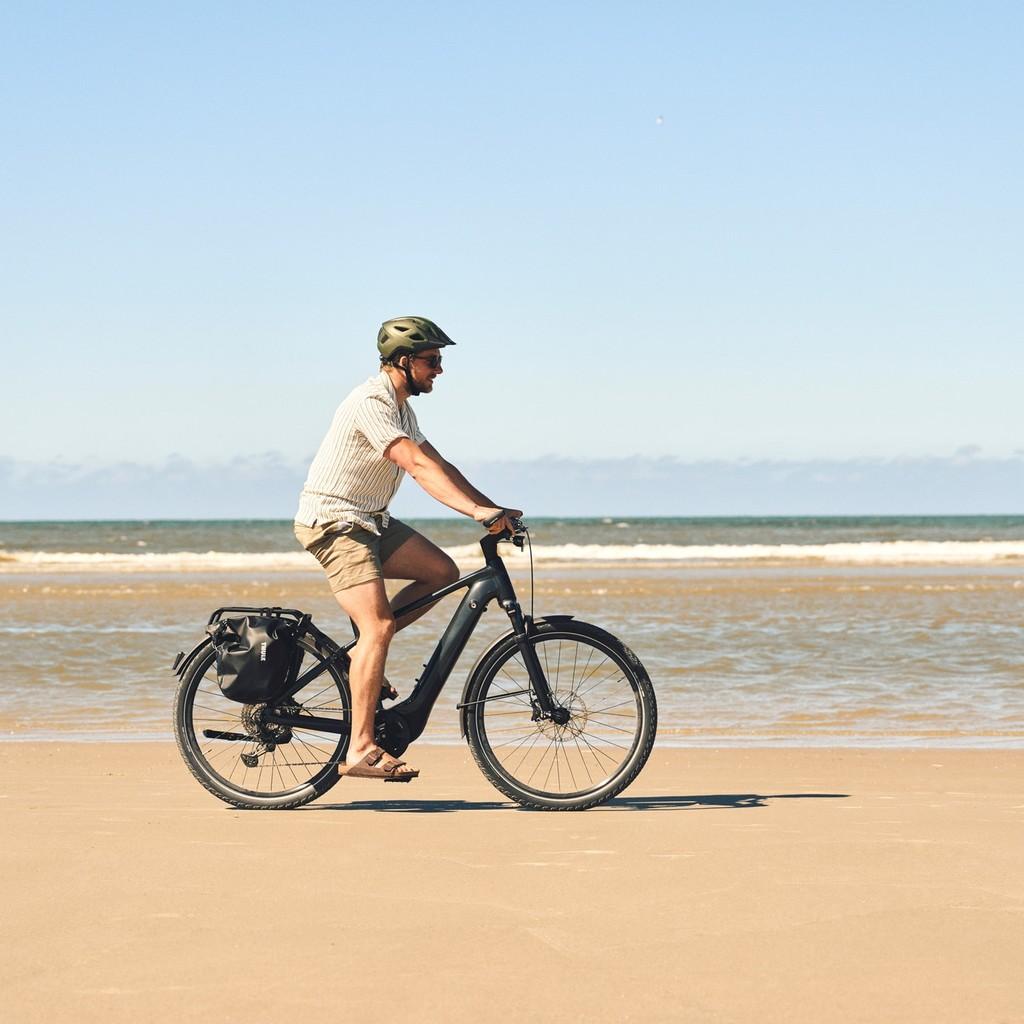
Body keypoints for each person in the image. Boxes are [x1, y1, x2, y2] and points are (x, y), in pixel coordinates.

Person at [293, 316, 522, 782]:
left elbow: (440, 462)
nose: (439, 370)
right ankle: (359, 748)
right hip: (336, 521)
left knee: (440, 571)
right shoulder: (372, 401)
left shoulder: (402, 408)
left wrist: (490, 506)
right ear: (404, 361)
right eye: (432, 361)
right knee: (378, 627)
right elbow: (414, 464)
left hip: (371, 520)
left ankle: (364, 656)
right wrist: (474, 514)